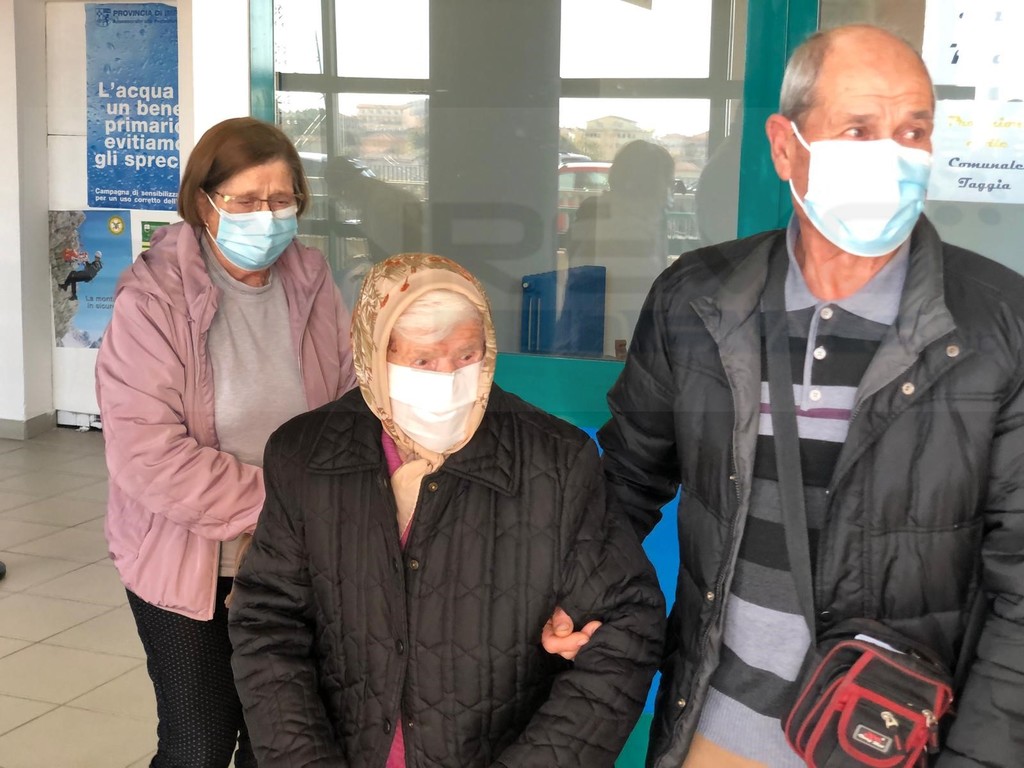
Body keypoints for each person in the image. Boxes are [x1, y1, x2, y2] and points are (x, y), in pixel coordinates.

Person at [546, 24, 1024, 767]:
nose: (893, 155)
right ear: (784, 146)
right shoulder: (698, 300)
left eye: (913, 131)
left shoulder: (999, 326)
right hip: (716, 731)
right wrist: (575, 592)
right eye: (858, 129)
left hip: (893, 745)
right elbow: (627, 480)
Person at [228, 252, 665, 767]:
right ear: (373, 355)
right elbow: (269, 623)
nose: (450, 379)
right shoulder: (306, 455)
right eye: (422, 361)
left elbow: (626, 626)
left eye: (466, 355)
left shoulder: (556, 461)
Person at [96, 116, 356, 768]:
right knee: (201, 744)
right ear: (204, 202)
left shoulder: (312, 282)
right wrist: (286, 506)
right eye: (244, 201)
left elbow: (351, 403)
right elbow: (147, 455)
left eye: (280, 199)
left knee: (279, 742)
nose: (265, 216)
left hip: (296, 559)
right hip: (189, 561)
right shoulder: (152, 299)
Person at [561, 139, 675, 358]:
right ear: (650, 182)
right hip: (609, 341)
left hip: (601, 337)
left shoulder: (652, 220)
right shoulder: (606, 217)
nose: (670, 190)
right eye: (668, 181)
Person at [325, 156, 424, 263]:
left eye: (341, 193)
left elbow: (388, 251)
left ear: (348, 185)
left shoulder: (380, 204)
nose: (343, 200)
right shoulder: (373, 196)